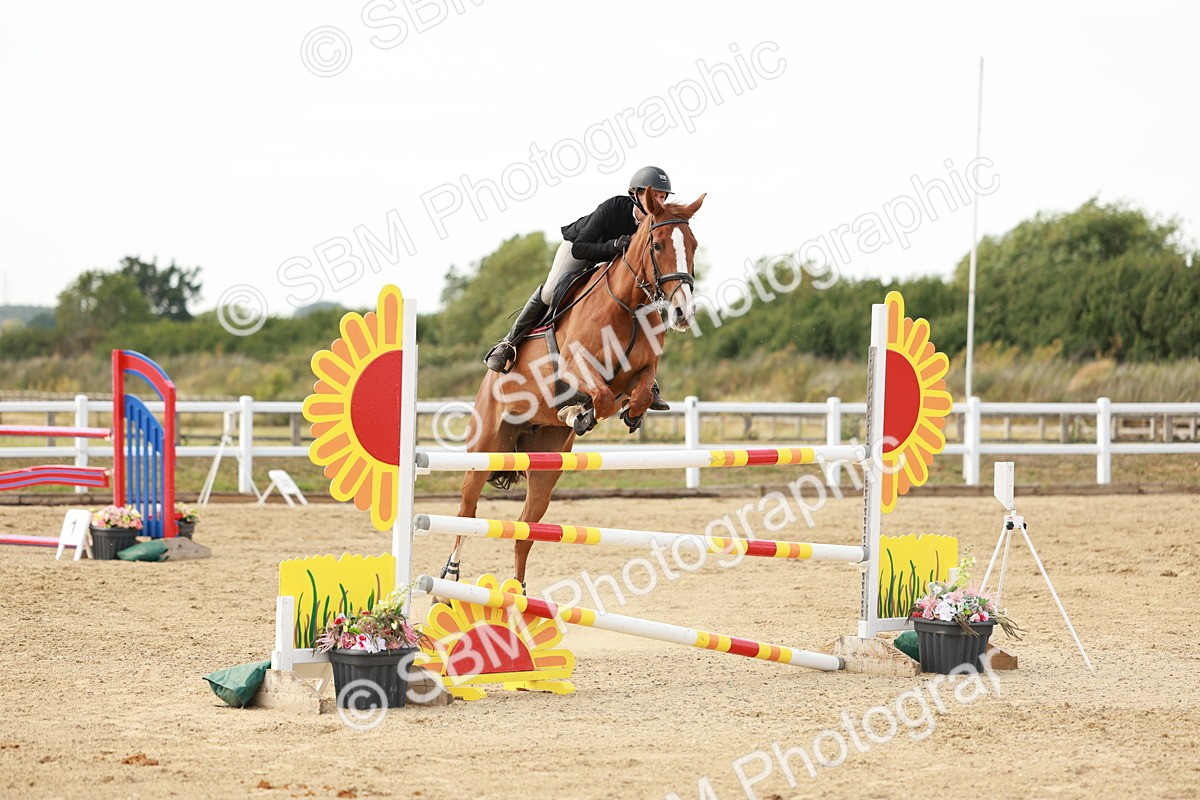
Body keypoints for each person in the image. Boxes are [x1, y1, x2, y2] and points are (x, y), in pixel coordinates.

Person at [483, 166, 674, 410]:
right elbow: (581, 247)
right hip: (582, 249)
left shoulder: (655, 223)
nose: (658, 201)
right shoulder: (613, 209)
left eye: (662, 197)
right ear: (636, 195)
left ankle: (648, 379)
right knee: (551, 291)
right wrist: (614, 245)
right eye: (653, 195)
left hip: (614, 263)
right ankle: (508, 343)